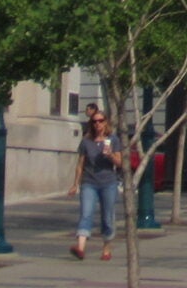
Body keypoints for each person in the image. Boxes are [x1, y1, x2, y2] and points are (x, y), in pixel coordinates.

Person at [71, 105, 123, 262]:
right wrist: (75, 184)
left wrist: (110, 156)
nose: (98, 124)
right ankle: (80, 248)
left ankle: (106, 249)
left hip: (108, 183)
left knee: (107, 217)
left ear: (106, 122)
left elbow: (119, 163)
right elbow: (80, 164)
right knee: (86, 213)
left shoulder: (113, 140)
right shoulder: (86, 142)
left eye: (100, 121)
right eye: (94, 122)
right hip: (89, 183)